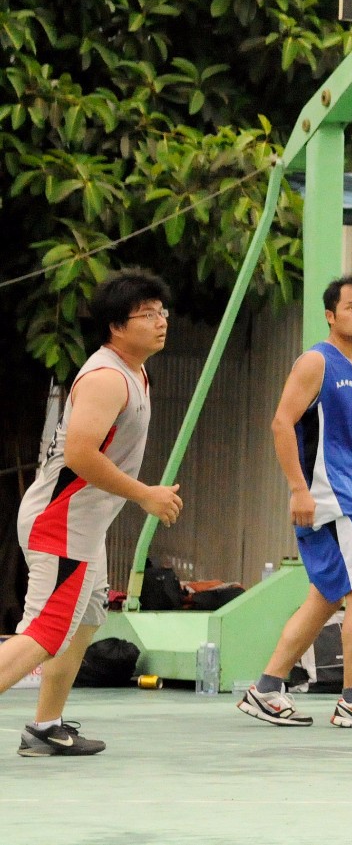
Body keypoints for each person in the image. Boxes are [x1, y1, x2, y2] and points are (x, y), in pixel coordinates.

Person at [0, 270, 182, 756]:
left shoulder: (135, 371)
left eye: (162, 312)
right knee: (43, 633)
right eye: (147, 314)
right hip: (61, 524)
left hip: (84, 526)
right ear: (116, 326)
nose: (161, 321)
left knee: (87, 619)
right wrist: (144, 495)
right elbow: (81, 455)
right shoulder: (106, 378)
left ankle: (45, 727)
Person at [239, 276, 352, 728]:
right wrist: (298, 489)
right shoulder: (316, 361)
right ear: (330, 316)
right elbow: (281, 423)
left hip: (346, 492)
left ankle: (267, 689)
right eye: (351, 307)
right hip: (328, 498)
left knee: (327, 595)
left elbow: (341, 435)